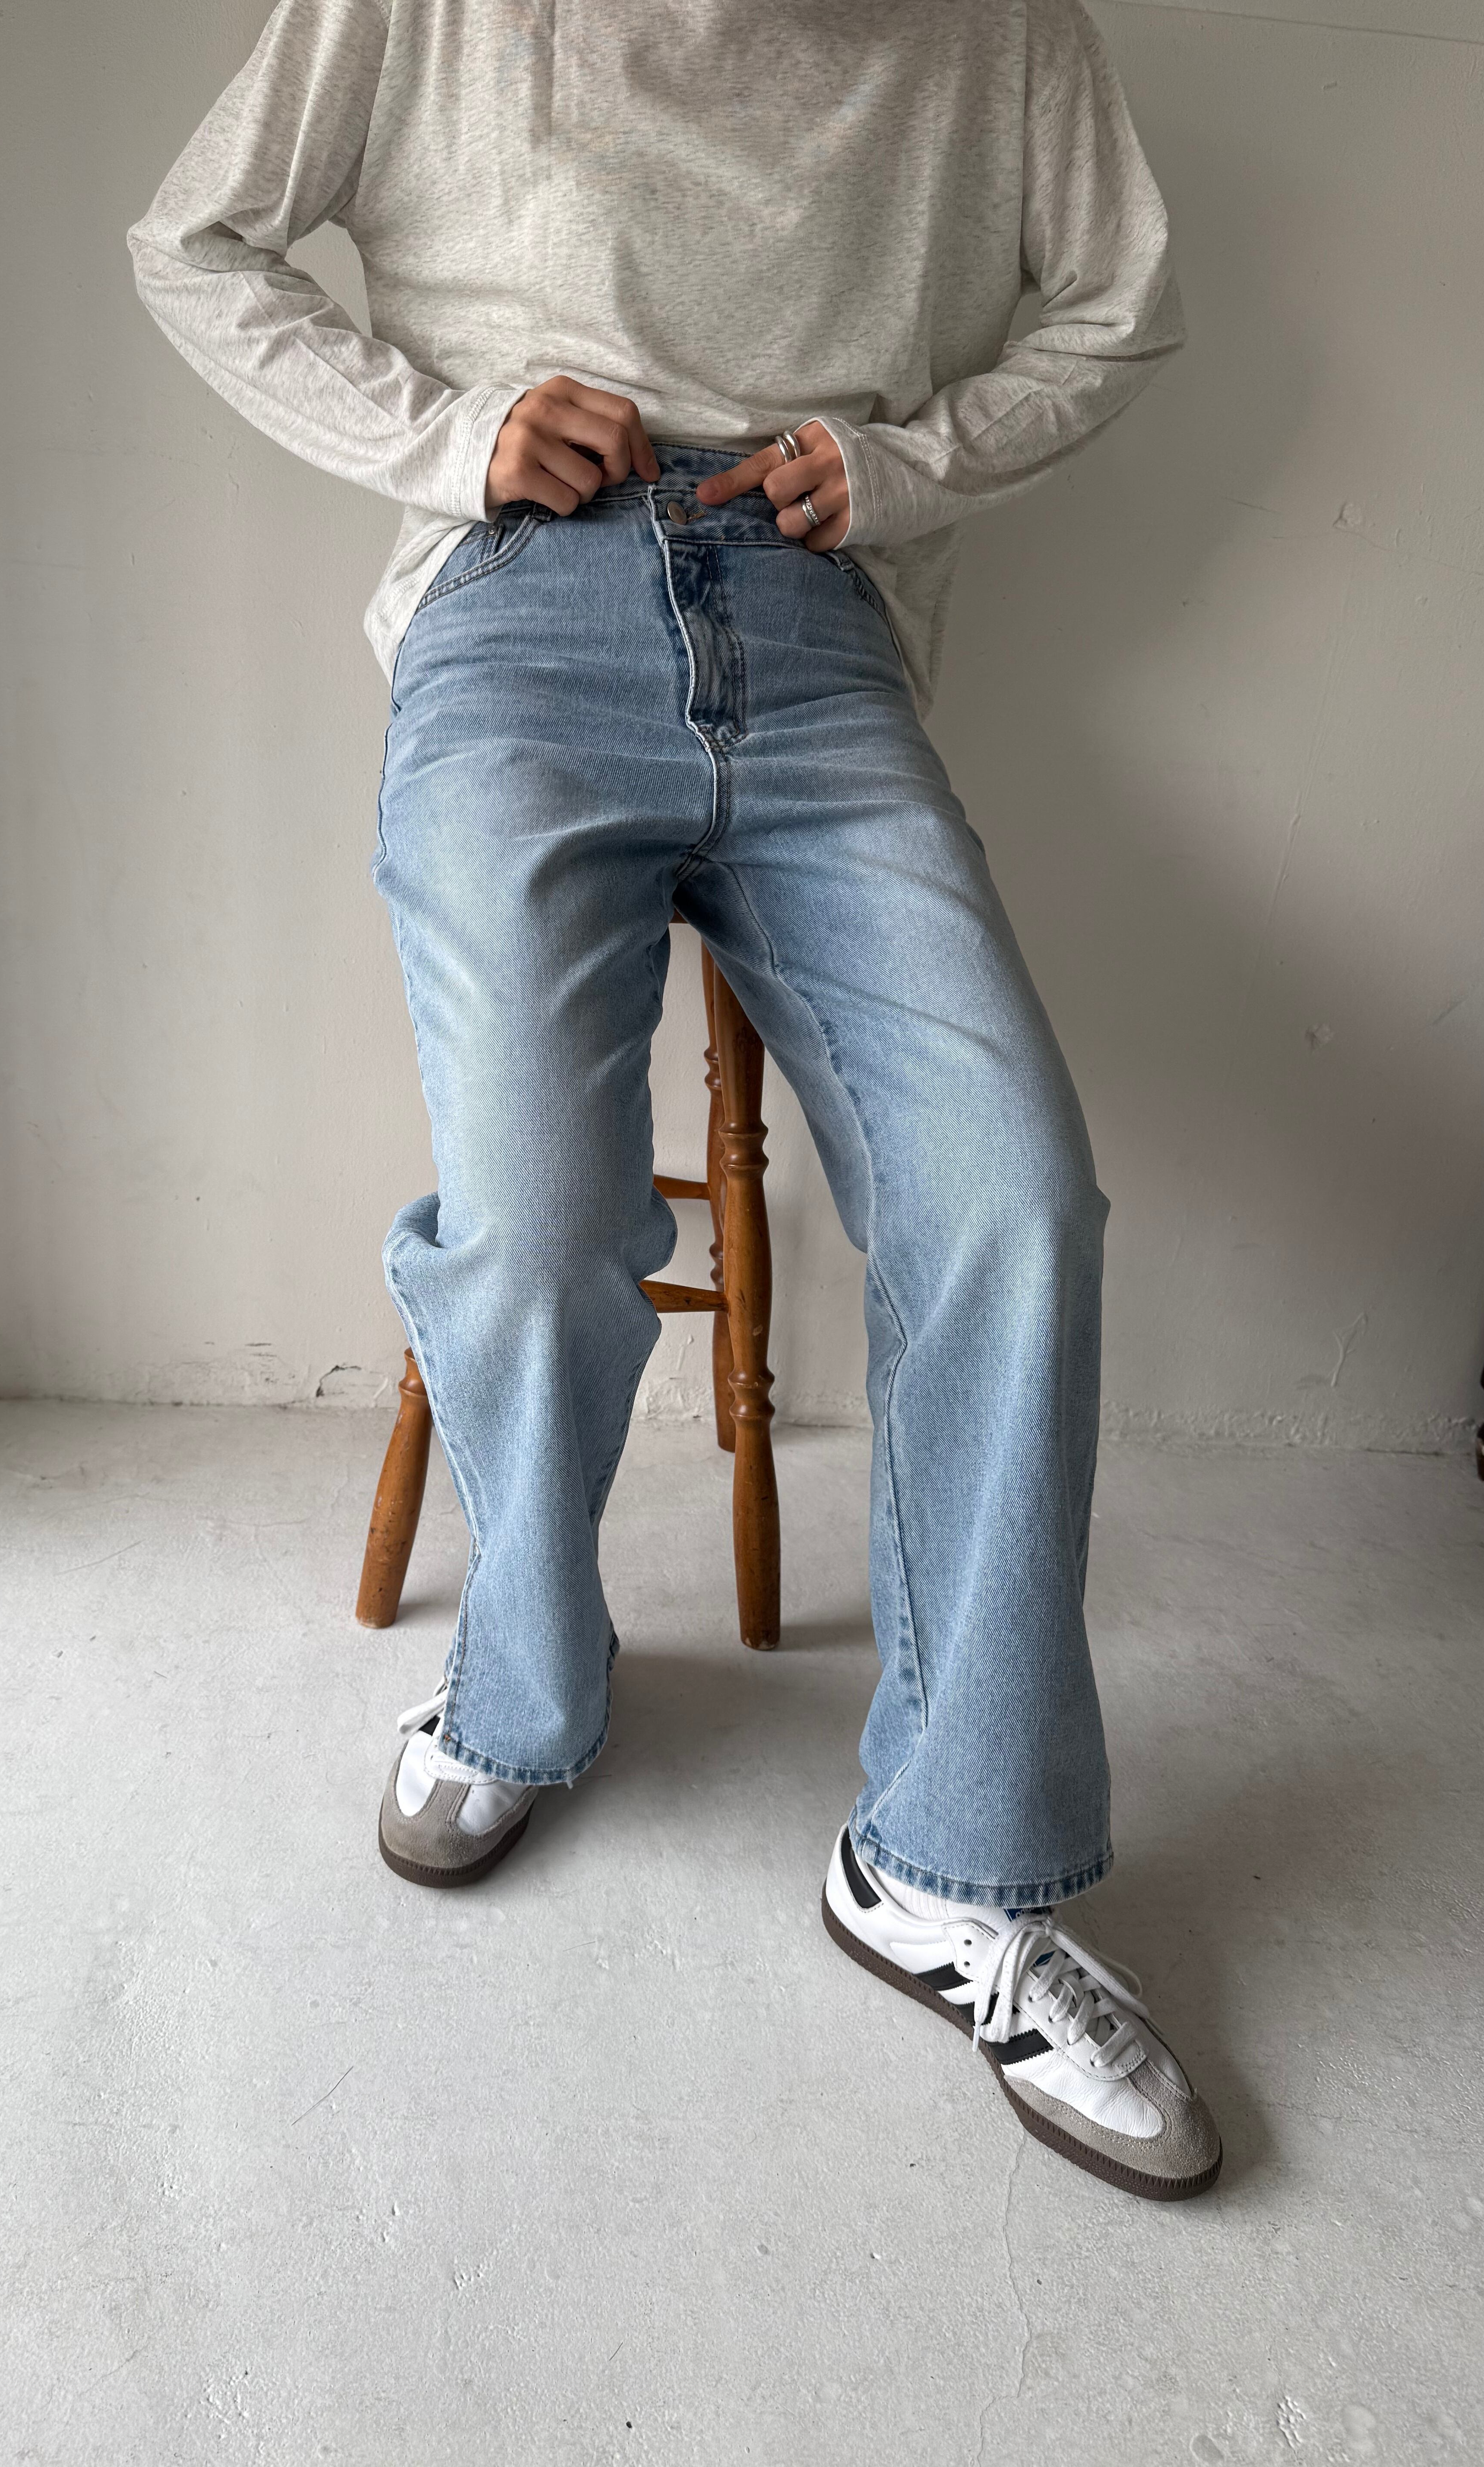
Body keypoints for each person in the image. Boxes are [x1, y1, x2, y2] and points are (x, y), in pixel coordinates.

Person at [129, 0, 1220, 2201]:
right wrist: (453, 435)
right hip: (520, 619)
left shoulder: (998, 29)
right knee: (541, 1219)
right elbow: (195, 241)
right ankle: (523, 1688)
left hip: (817, 634)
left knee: (1014, 1198)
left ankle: (951, 1866)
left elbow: (1121, 301)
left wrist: (906, 469)